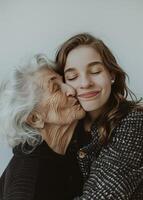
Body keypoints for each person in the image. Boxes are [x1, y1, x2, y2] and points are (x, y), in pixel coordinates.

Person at [55, 33, 143, 200]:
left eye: (95, 71)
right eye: (72, 76)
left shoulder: (134, 122)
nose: (85, 83)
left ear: (112, 74)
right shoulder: (67, 126)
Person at [0, 55, 86, 200]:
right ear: (35, 119)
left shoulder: (67, 149)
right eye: (56, 88)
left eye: (64, 81)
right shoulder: (29, 185)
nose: (72, 90)